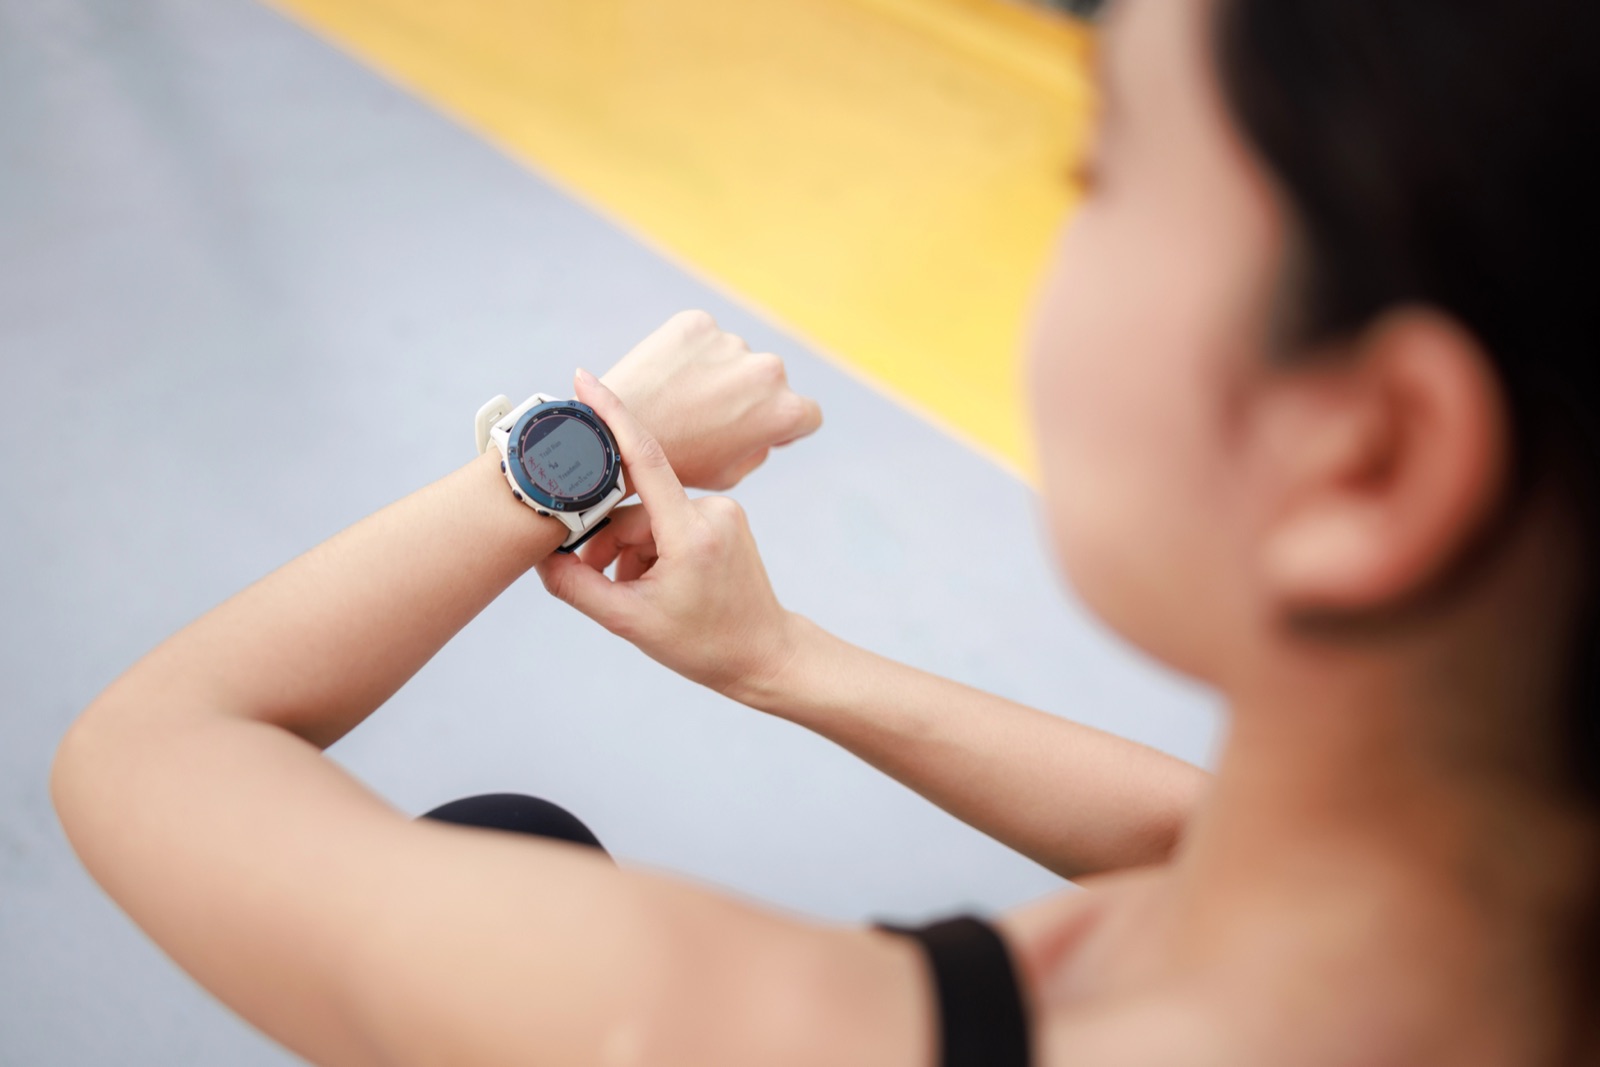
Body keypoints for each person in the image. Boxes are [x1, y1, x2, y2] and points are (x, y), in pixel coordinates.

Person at [50, 0, 1600, 1062]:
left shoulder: (712, 1027)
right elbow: (1203, 837)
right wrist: (783, 663)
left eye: (1102, 169)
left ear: (1372, 461)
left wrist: (557, 466)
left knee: (499, 855)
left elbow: (153, 745)